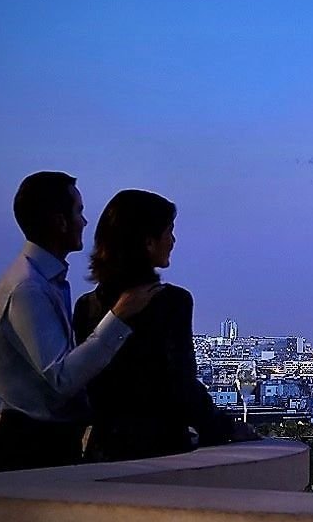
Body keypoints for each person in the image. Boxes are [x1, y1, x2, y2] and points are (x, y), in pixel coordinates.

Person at [0, 172, 161, 473]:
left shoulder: (41, 282)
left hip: (44, 445)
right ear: (59, 222)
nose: (85, 222)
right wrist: (118, 317)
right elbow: (62, 377)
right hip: (31, 450)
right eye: (78, 211)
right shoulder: (28, 288)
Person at [72, 189, 255, 461]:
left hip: (103, 451)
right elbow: (181, 384)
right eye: (169, 232)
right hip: (160, 449)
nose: (173, 240)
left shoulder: (86, 306)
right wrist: (223, 428)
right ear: (148, 242)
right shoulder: (172, 303)